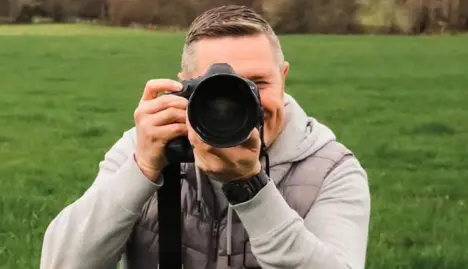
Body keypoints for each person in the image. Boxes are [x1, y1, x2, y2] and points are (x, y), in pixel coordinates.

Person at [40, 5, 370, 269]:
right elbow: (60, 264)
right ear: (183, 86)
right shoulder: (146, 147)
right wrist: (141, 168)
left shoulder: (330, 170)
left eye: (258, 84)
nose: (239, 105)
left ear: (283, 77)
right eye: (216, 91)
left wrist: (251, 189)